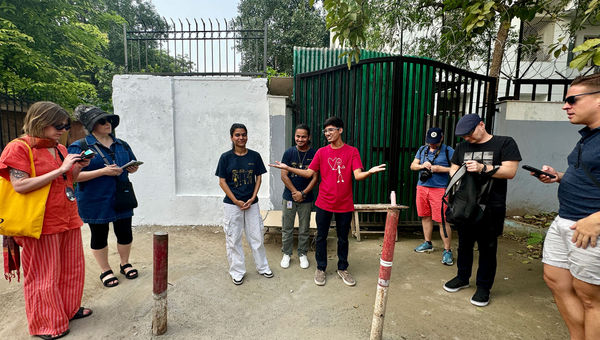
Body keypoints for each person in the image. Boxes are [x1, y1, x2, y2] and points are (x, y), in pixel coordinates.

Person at [0, 101, 92, 340]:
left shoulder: (59, 148)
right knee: (44, 274)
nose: (63, 129)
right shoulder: (18, 148)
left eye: (65, 125)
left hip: (68, 216)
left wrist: (76, 168)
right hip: (40, 222)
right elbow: (20, 186)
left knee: (72, 269)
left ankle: (68, 310)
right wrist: (61, 169)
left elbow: (68, 180)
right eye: (57, 125)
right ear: (39, 121)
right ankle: (46, 323)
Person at [270, 116, 386, 287]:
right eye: (325, 131)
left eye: (331, 130)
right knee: (321, 237)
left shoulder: (352, 151)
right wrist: (288, 168)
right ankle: (321, 268)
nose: (327, 133)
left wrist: (369, 172)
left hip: (345, 203)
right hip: (324, 202)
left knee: (343, 239)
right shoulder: (321, 152)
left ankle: (342, 268)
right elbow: (309, 173)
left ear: (340, 130)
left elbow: (358, 175)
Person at [536, 74, 600, 340]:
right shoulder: (588, 136)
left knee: (590, 297)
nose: (565, 106)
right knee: (555, 280)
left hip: (589, 227)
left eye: (572, 100)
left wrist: (597, 219)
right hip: (565, 220)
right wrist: (560, 176)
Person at [442, 114, 521, 307]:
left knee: (487, 248)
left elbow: (510, 171)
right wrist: (460, 174)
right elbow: (452, 169)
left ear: (482, 125)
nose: (467, 139)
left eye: (469, 134)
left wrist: (481, 168)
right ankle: (462, 277)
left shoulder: (504, 143)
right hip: (465, 205)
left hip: (491, 206)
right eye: (463, 137)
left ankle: (484, 287)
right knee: (464, 244)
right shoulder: (461, 147)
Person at [68, 105, 140, 288]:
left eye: (109, 120)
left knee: (125, 232)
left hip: (121, 195)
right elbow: (72, 176)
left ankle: (125, 263)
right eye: (102, 121)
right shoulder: (81, 147)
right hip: (94, 198)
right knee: (99, 234)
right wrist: (102, 172)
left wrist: (132, 168)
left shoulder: (122, 144)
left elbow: (131, 164)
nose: (108, 124)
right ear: (92, 125)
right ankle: (105, 270)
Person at [215, 123, 273, 285]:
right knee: (233, 238)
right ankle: (237, 271)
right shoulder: (225, 157)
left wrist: (252, 197)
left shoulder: (254, 156)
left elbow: (259, 178)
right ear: (232, 137)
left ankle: (263, 267)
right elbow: (222, 181)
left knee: (257, 236)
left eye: (244, 134)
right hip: (232, 205)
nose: (241, 138)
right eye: (237, 135)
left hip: (251, 204)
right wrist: (235, 200)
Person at [410, 127, 455, 265]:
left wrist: (442, 169)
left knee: (442, 220)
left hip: (439, 189)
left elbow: (456, 169)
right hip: (422, 187)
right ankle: (427, 242)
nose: (432, 145)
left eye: (435, 142)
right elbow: (413, 166)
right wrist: (422, 166)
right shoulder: (422, 149)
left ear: (441, 138)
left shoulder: (448, 151)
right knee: (425, 216)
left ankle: (447, 251)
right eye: (430, 142)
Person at [279, 124, 318, 269]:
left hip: (306, 198)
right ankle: (287, 253)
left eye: (303, 137)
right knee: (287, 227)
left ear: (309, 138)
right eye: (298, 136)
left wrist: (303, 193)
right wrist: (295, 192)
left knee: (304, 228)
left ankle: (302, 254)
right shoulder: (288, 153)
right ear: (294, 136)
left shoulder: (314, 154)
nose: (300, 139)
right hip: (289, 197)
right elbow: (284, 175)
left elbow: (315, 177)